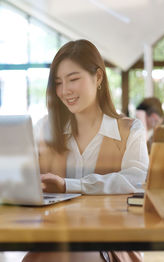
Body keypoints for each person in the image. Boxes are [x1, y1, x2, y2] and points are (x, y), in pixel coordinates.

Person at [23, 40, 149, 262]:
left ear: (98, 77)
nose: (64, 91)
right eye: (59, 83)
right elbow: (21, 177)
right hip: (53, 239)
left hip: (112, 241)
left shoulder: (129, 130)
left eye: (73, 79)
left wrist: (69, 185)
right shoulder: (44, 129)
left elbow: (138, 181)